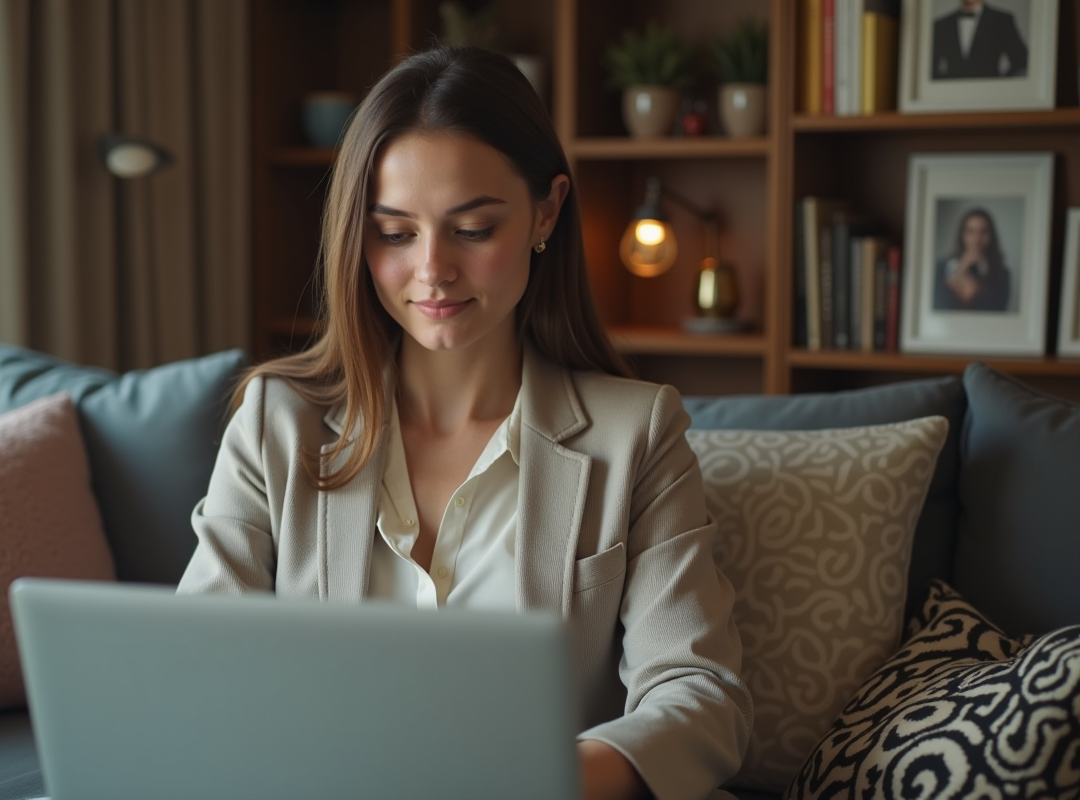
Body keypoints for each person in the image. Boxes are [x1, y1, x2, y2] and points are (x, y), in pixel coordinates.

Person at [177, 47, 751, 800]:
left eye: (473, 230)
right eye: (395, 232)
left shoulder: (636, 433)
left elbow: (700, 697)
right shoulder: (274, 425)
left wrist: (538, 781)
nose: (433, 270)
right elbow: (195, 671)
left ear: (547, 211)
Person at [934, 207, 1012, 311]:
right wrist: (960, 271)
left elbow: (998, 311)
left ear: (991, 236)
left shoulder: (1002, 274)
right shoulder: (941, 267)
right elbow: (940, 307)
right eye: (971, 231)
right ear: (963, 235)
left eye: (983, 232)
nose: (977, 238)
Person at [932, 0, 1028, 80]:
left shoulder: (1002, 20)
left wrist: (1000, 85)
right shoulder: (942, 25)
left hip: (991, 95)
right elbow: (929, 66)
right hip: (952, 96)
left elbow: (1021, 60)